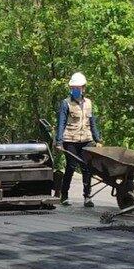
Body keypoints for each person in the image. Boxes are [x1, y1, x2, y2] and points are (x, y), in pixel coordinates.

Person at [55, 72, 101, 207]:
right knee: (71, 166)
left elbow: (92, 123)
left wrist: (97, 139)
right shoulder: (66, 103)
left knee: (87, 168)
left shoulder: (88, 103)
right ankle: (64, 195)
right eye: (73, 88)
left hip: (86, 140)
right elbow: (61, 123)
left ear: (83, 88)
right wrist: (59, 142)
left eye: (78, 88)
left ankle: (87, 196)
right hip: (70, 140)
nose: (75, 90)